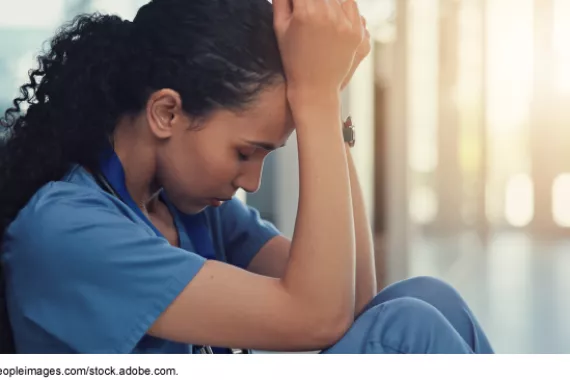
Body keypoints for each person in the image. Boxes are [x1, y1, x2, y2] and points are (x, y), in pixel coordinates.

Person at [0, 0, 494, 354]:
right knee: (408, 329)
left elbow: (355, 300)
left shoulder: (191, 212)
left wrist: (326, 102)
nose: (253, 182)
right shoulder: (67, 229)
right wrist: (315, 98)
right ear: (166, 113)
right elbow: (317, 318)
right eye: (245, 152)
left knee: (429, 297)